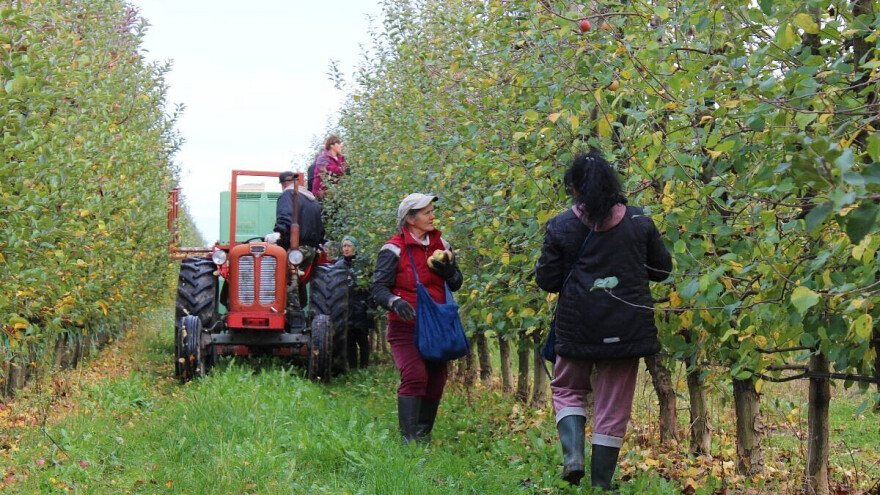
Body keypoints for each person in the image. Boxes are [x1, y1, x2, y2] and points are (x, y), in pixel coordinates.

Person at [535, 150, 672, 489]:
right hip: (626, 329)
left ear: (576, 190)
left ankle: (573, 457)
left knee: (567, 389)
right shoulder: (639, 221)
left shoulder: (560, 225)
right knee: (613, 405)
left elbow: (547, 280)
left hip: (577, 325)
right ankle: (601, 484)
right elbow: (662, 270)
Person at [371, 193, 463, 444]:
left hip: (436, 327)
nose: (432, 215)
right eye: (426, 212)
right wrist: (395, 302)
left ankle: (423, 435)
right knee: (415, 376)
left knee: (436, 380)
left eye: (432, 210)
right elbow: (378, 288)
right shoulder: (393, 249)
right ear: (410, 219)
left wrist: (450, 270)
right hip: (405, 327)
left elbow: (456, 284)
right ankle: (409, 440)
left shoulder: (442, 245)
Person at [265, 171, 325, 309]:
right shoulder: (311, 199)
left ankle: (292, 312)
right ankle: (299, 306)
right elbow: (320, 228)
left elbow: (285, 216)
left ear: (283, 184)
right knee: (296, 275)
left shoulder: (288, 194)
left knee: (280, 272)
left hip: (298, 248)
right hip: (311, 249)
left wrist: (279, 233)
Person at [335, 235, 372, 369]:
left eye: (349, 246)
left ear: (355, 248)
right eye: (344, 246)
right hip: (346, 310)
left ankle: (364, 368)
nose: (346, 249)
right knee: (349, 342)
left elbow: (370, 288)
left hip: (361, 309)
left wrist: (369, 309)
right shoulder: (338, 266)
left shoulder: (363, 265)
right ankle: (353, 368)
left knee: (362, 340)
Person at [310, 134, 347, 200]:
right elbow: (329, 170)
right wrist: (343, 169)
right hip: (322, 193)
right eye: (338, 143)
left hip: (336, 193)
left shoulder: (341, 158)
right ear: (332, 145)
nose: (341, 146)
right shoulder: (323, 158)